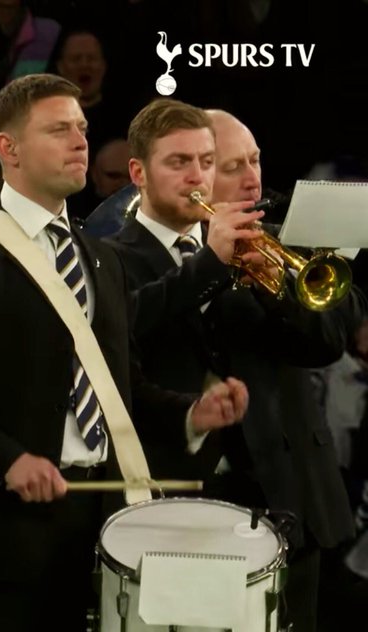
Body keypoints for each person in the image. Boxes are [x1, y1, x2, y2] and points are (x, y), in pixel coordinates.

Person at [0, 74, 251, 631]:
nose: (80, 141)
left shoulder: (101, 258)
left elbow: (118, 384)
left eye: (81, 128)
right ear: (8, 147)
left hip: (92, 526)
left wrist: (190, 413)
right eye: (58, 130)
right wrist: (6, 460)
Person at [108, 102, 367, 632]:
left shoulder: (283, 240)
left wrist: (270, 288)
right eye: (231, 165)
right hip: (177, 504)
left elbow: (329, 340)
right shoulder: (110, 253)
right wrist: (210, 265)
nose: (252, 178)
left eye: (255, 160)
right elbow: (118, 332)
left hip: (290, 498)